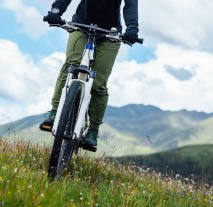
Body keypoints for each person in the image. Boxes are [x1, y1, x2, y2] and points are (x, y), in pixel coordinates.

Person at [40, 0, 139, 152]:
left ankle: (92, 131)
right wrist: (56, 11)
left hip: (110, 34)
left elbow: (131, 4)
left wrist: (132, 28)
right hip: (81, 25)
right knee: (71, 65)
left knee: (98, 83)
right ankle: (54, 113)